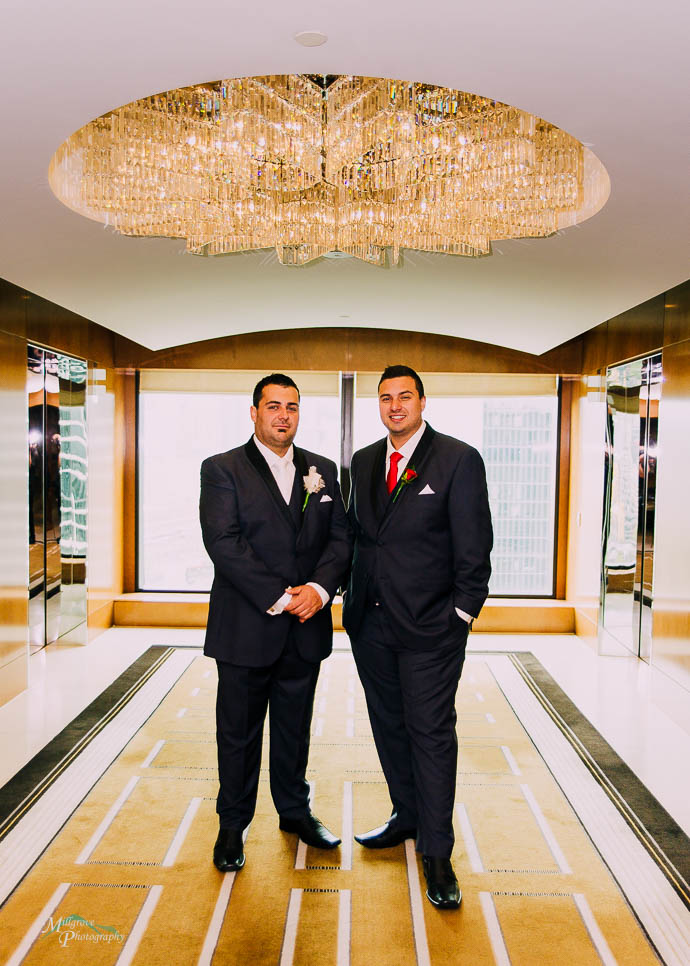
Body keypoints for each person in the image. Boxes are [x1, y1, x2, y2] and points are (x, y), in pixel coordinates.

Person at [343, 365, 493, 909]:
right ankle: (405, 816)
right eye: (385, 398)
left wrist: (461, 615)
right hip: (371, 625)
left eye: (405, 396)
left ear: (422, 401)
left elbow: (475, 547)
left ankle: (437, 853)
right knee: (388, 725)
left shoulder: (457, 459)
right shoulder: (361, 462)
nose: (395, 406)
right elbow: (359, 537)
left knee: (430, 733)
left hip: (433, 627)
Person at [200, 373, 352, 872]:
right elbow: (224, 543)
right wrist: (280, 598)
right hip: (247, 626)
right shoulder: (221, 469)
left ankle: (295, 811)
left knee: (295, 729)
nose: (282, 415)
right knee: (238, 733)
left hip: (305, 628)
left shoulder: (324, 470)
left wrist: (319, 590)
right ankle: (232, 824)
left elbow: (341, 541)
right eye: (273, 406)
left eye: (291, 406)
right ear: (254, 413)